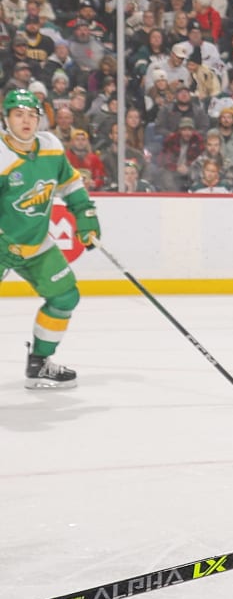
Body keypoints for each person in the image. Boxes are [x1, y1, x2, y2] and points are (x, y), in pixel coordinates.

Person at [5, 89, 100, 389]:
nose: (26, 121)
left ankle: (39, 364)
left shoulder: (50, 146)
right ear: (6, 118)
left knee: (64, 297)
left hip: (34, 241)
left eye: (32, 116)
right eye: (19, 115)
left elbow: (70, 183)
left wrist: (84, 215)